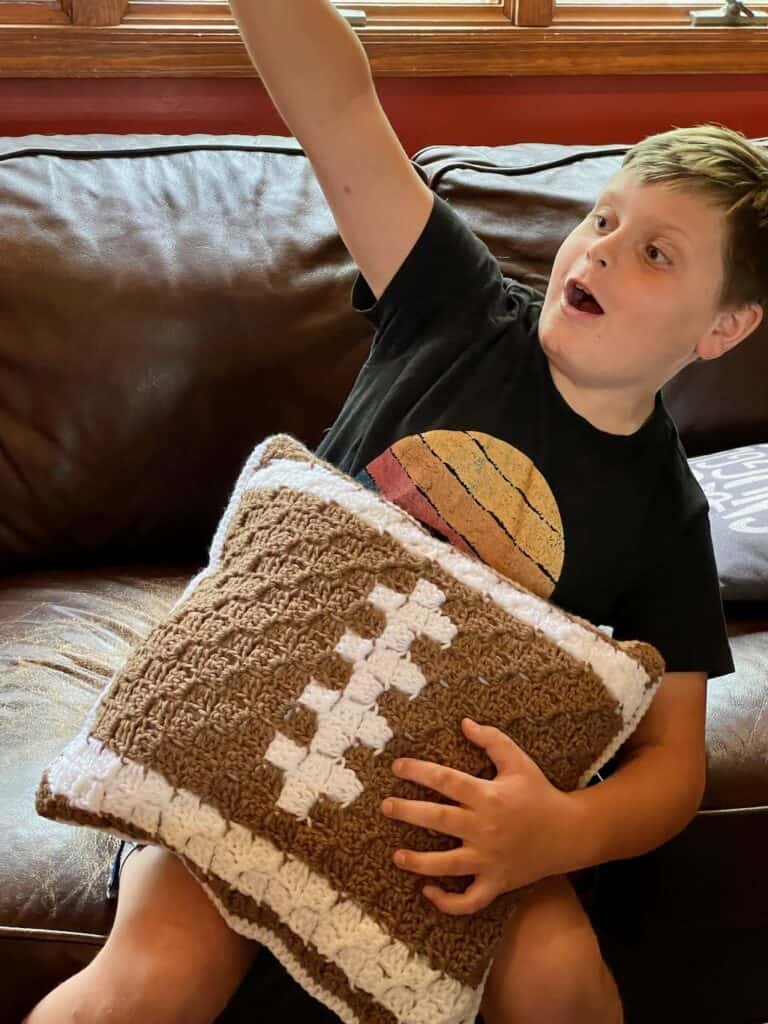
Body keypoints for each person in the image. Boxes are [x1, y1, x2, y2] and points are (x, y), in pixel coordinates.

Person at [23, 4, 768, 1023]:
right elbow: (334, 102)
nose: (597, 251)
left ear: (724, 326)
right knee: (156, 974)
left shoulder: (666, 514)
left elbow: (674, 760)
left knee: (560, 978)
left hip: (449, 815)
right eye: (604, 218)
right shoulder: (451, 303)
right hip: (244, 744)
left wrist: (556, 831)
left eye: (657, 253)